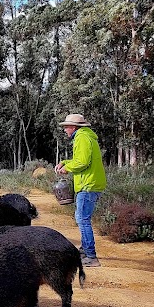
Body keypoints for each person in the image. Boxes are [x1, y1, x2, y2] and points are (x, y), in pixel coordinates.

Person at [54, 113, 107, 267]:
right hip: (90, 183)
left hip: (87, 184)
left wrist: (67, 168)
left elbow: (82, 162)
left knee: (83, 219)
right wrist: (65, 162)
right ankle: (84, 250)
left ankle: (91, 256)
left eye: (66, 127)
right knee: (81, 217)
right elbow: (82, 159)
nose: (64, 130)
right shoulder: (86, 136)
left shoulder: (82, 137)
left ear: (74, 127)